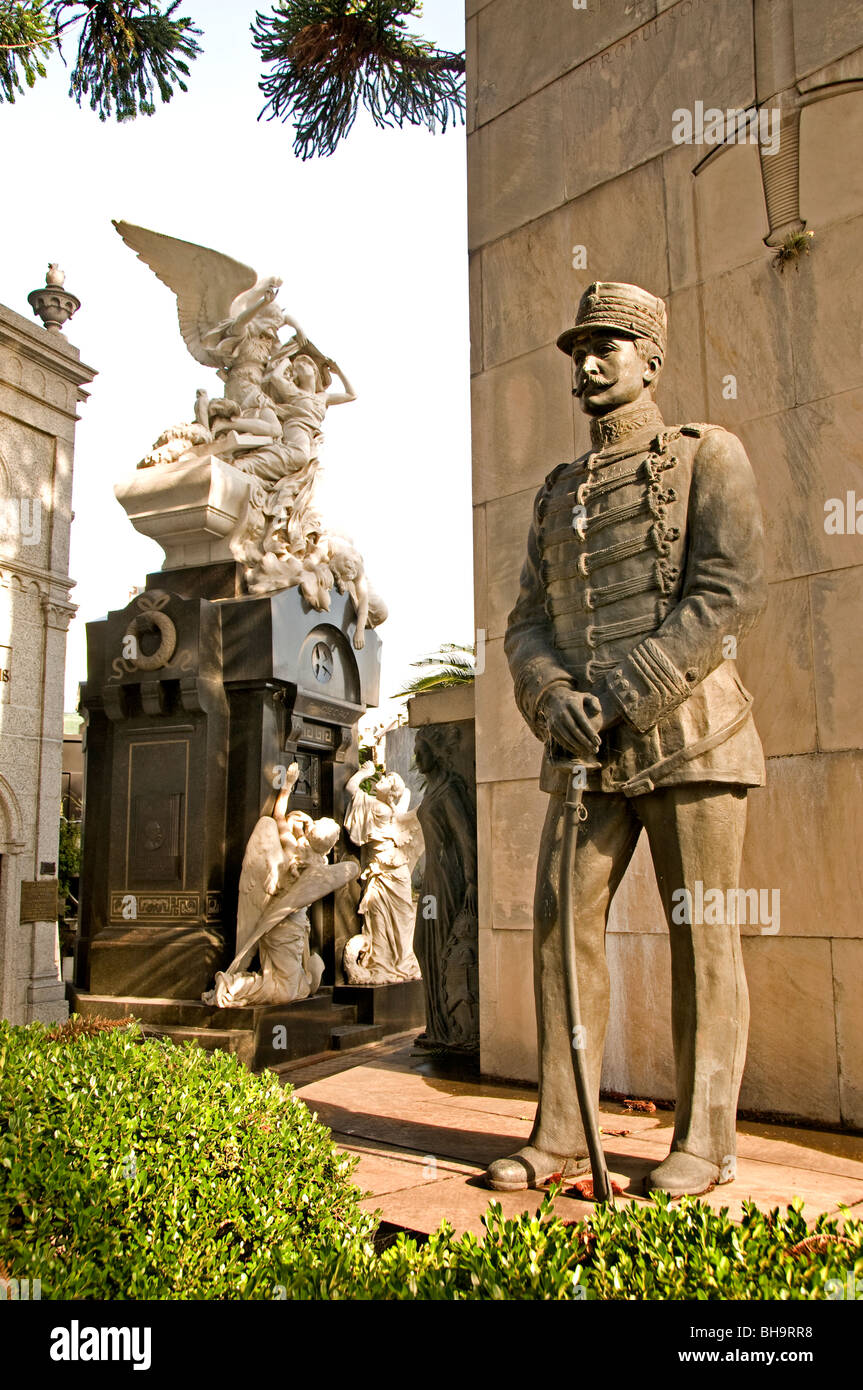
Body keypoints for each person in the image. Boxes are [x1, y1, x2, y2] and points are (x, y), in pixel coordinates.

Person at [485, 282, 767, 1198]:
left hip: (692, 734)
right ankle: (561, 1131)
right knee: (560, 933)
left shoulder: (707, 456)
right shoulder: (554, 494)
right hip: (581, 750)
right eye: (579, 349)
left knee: (704, 941)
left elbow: (722, 593)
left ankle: (704, 1142)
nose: (590, 360)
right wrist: (550, 692)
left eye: (609, 344)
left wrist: (620, 692)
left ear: (651, 358)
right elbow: (525, 622)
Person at [343, 763, 423, 983]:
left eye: (389, 780)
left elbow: (351, 787)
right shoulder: (389, 810)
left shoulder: (380, 809)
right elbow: (403, 800)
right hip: (389, 871)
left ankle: (387, 962)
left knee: (387, 918)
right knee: (394, 918)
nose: (383, 778)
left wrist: (364, 773)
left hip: (389, 872)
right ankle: (397, 961)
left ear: (390, 793)